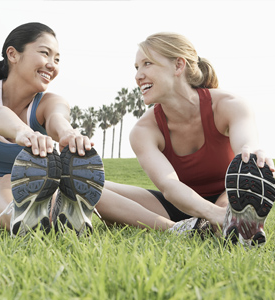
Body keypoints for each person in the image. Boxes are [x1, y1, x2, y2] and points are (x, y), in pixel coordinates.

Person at [94, 32, 275, 246]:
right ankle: (181, 229)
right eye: (136, 67)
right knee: (90, 187)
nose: (138, 75)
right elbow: (169, 186)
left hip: (227, 196)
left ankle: (234, 224)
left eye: (147, 64)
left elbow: (246, 145)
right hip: (178, 203)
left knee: (239, 188)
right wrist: (213, 214)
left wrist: (253, 155)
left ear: (179, 65)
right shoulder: (143, 130)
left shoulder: (230, 105)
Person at [0, 22, 105, 237]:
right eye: (45, 53)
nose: (52, 65)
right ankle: (22, 222)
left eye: (57, 59)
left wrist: (68, 135)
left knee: (70, 191)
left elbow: (57, 118)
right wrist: (24, 132)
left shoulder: (52, 101)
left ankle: (61, 220)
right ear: (13, 54)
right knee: (6, 182)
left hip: (25, 192)